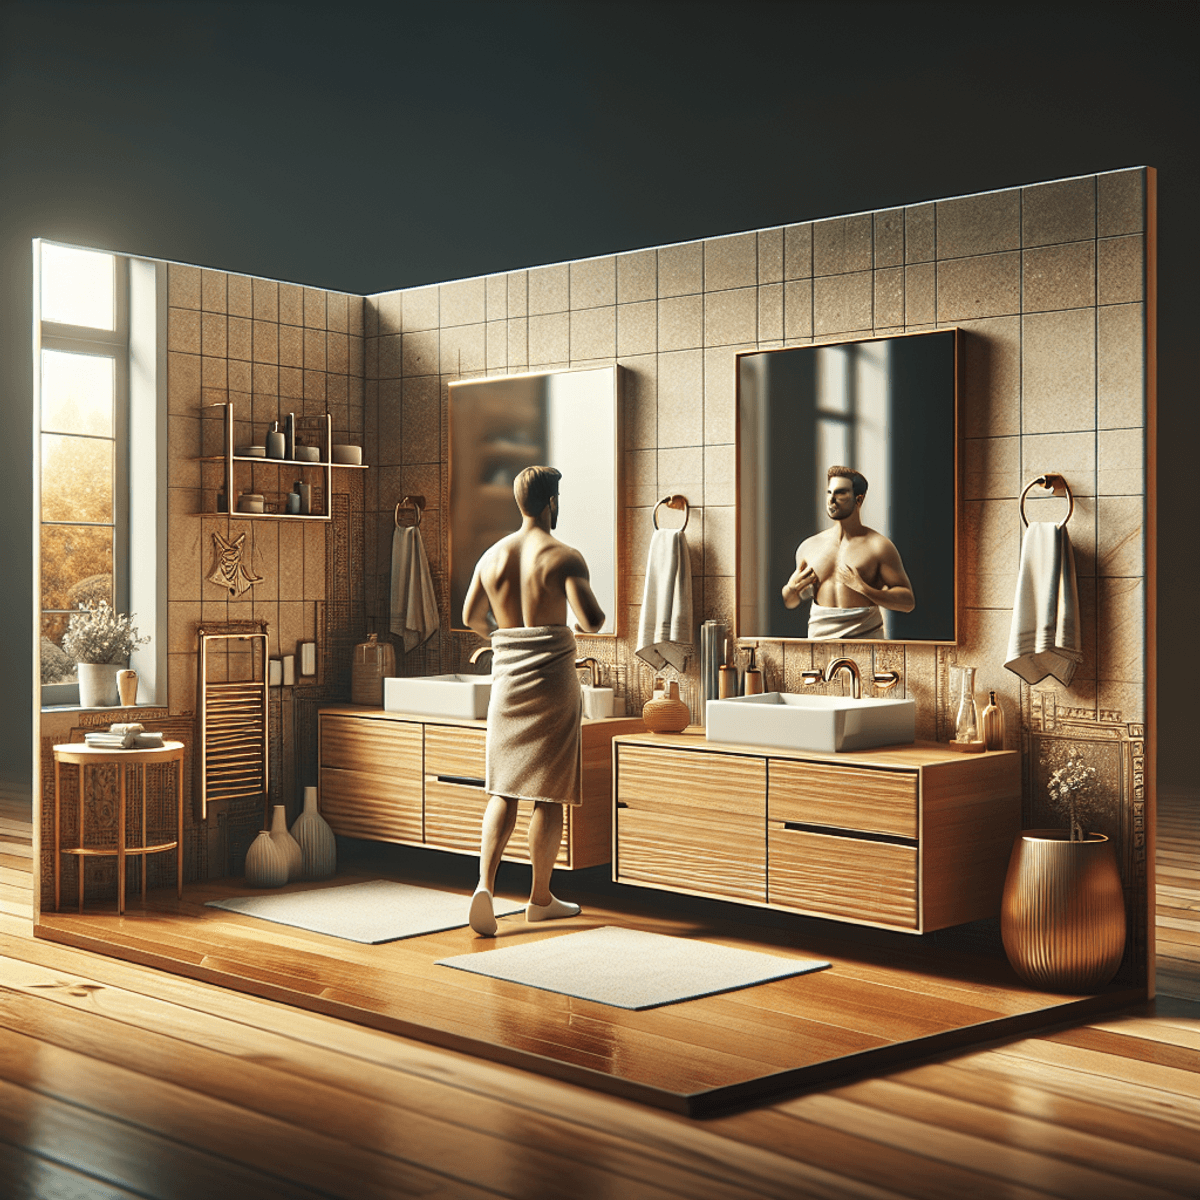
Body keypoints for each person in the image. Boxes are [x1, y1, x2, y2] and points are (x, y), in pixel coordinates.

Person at [461, 465, 606, 936]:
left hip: (507, 681)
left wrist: (510, 638)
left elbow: (470, 617)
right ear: (551, 503)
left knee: (502, 787)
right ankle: (539, 898)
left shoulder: (492, 557)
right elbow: (591, 621)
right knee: (548, 793)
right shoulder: (564, 557)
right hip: (551, 684)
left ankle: (484, 885)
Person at [782, 466, 915, 640]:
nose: (831, 500)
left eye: (840, 493)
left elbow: (907, 602)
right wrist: (791, 590)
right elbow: (792, 602)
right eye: (829, 492)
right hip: (819, 645)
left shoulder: (878, 546)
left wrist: (866, 590)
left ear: (858, 500)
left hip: (865, 644)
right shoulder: (809, 547)